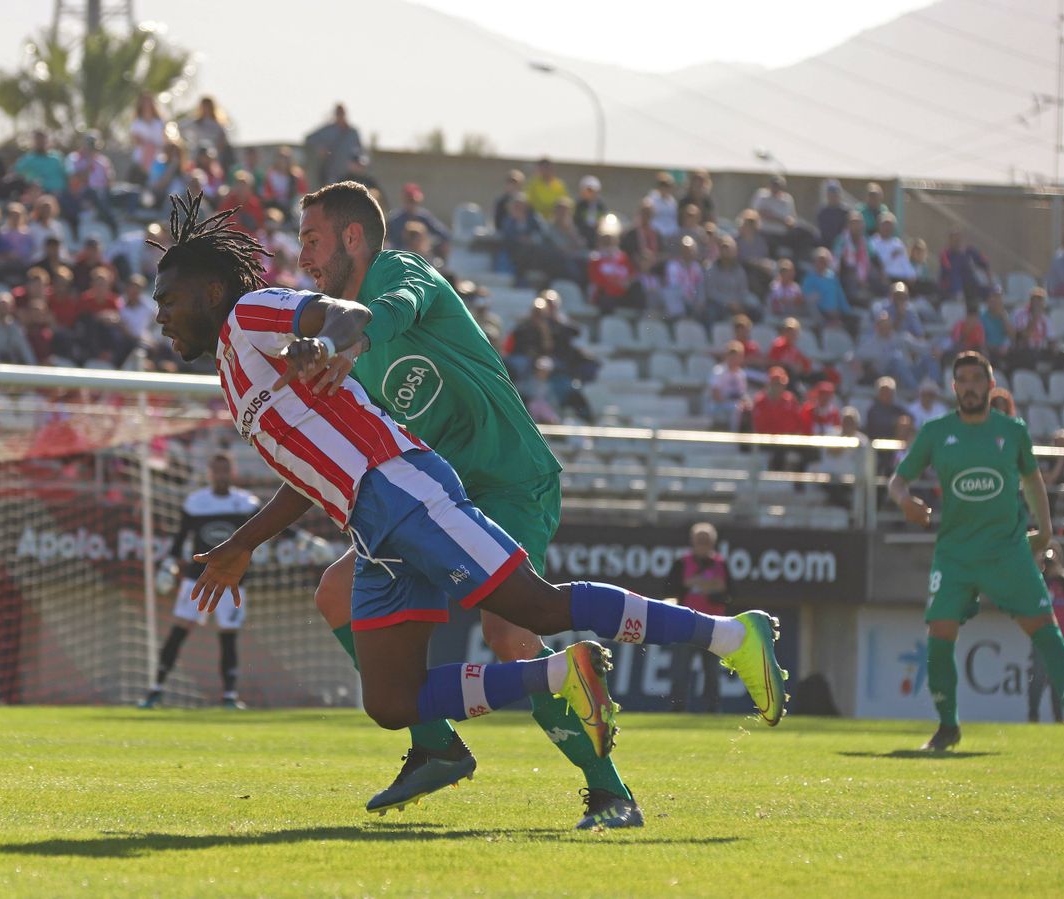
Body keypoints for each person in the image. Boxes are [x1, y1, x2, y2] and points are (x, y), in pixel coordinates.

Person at [155, 191, 788, 825]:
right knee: (342, 608)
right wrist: (245, 542)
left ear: (352, 238)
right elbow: (318, 456)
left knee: (514, 626)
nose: (302, 255)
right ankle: (434, 744)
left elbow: (383, 311)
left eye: (312, 240)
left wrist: (340, 336)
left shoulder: (392, 278)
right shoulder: (261, 361)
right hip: (395, 504)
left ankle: (613, 786)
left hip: (500, 476)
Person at [889, 351, 1064, 754]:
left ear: (990, 384)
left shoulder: (1012, 431)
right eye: (962, 380)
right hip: (955, 554)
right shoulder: (936, 432)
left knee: (1048, 634)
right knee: (939, 635)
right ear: (955, 388)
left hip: (1007, 552)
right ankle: (947, 727)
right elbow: (898, 480)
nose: (969, 386)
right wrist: (905, 501)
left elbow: (1033, 479)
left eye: (976, 379)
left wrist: (1047, 528)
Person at [140, 452, 263, 710]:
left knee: (228, 636)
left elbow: (271, 526)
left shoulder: (246, 503)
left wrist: (303, 540)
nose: (221, 475)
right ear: (209, 473)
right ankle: (156, 689)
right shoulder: (196, 503)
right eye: (216, 470)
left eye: (225, 470)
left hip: (232, 580)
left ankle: (229, 696)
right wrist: (169, 563)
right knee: (179, 630)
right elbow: (180, 538)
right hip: (197, 579)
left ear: (233, 472)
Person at [665, 523, 730, 713]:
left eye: (706, 540)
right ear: (693, 541)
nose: (702, 544)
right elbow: (669, 589)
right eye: (699, 540)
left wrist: (709, 591)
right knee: (680, 669)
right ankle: (678, 707)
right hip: (686, 625)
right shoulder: (682, 563)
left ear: (713, 543)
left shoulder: (720, 564)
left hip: (714, 626)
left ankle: (712, 708)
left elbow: (730, 593)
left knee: (713, 671)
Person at [1028, 542, 1064, 723]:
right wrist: (1045, 572)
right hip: (1042, 637)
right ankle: (1033, 716)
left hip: (1063, 639)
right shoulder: (1040, 580)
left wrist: (1057, 572)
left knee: (1060, 679)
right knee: (1038, 677)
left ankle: (1059, 718)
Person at [302, 103, 361, 186]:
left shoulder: (353, 133)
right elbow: (309, 139)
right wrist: (320, 148)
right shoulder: (328, 130)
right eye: (338, 113)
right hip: (331, 173)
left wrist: (358, 163)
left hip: (349, 175)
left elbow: (361, 151)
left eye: (342, 113)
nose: (340, 116)